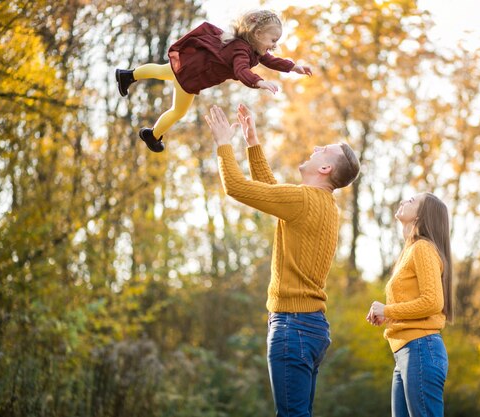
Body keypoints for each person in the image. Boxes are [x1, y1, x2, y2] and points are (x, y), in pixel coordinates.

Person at [205, 103, 360, 417]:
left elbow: (235, 187)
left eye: (324, 150)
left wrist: (224, 142)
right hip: (310, 327)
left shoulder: (304, 201)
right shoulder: (323, 205)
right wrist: (252, 142)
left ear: (326, 169)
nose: (316, 147)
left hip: (293, 327)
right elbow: (273, 193)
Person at [115, 10, 312, 153]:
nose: (274, 45)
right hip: (192, 75)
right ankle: (152, 135)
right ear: (258, 34)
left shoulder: (253, 50)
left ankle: (128, 75)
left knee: (163, 70)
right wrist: (258, 82)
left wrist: (293, 67)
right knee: (178, 111)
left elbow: (272, 60)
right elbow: (241, 70)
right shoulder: (241, 51)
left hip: (191, 66)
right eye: (273, 40)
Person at [366, 192, 454, 417]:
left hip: (420, 349)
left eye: (413, 201)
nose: (405, 200)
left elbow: (433, 301)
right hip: (406, 352)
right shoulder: (410, 250)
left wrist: (387, 310)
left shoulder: (422, 247)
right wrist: (389, 316)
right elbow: (419, 301)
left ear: (422, 216)